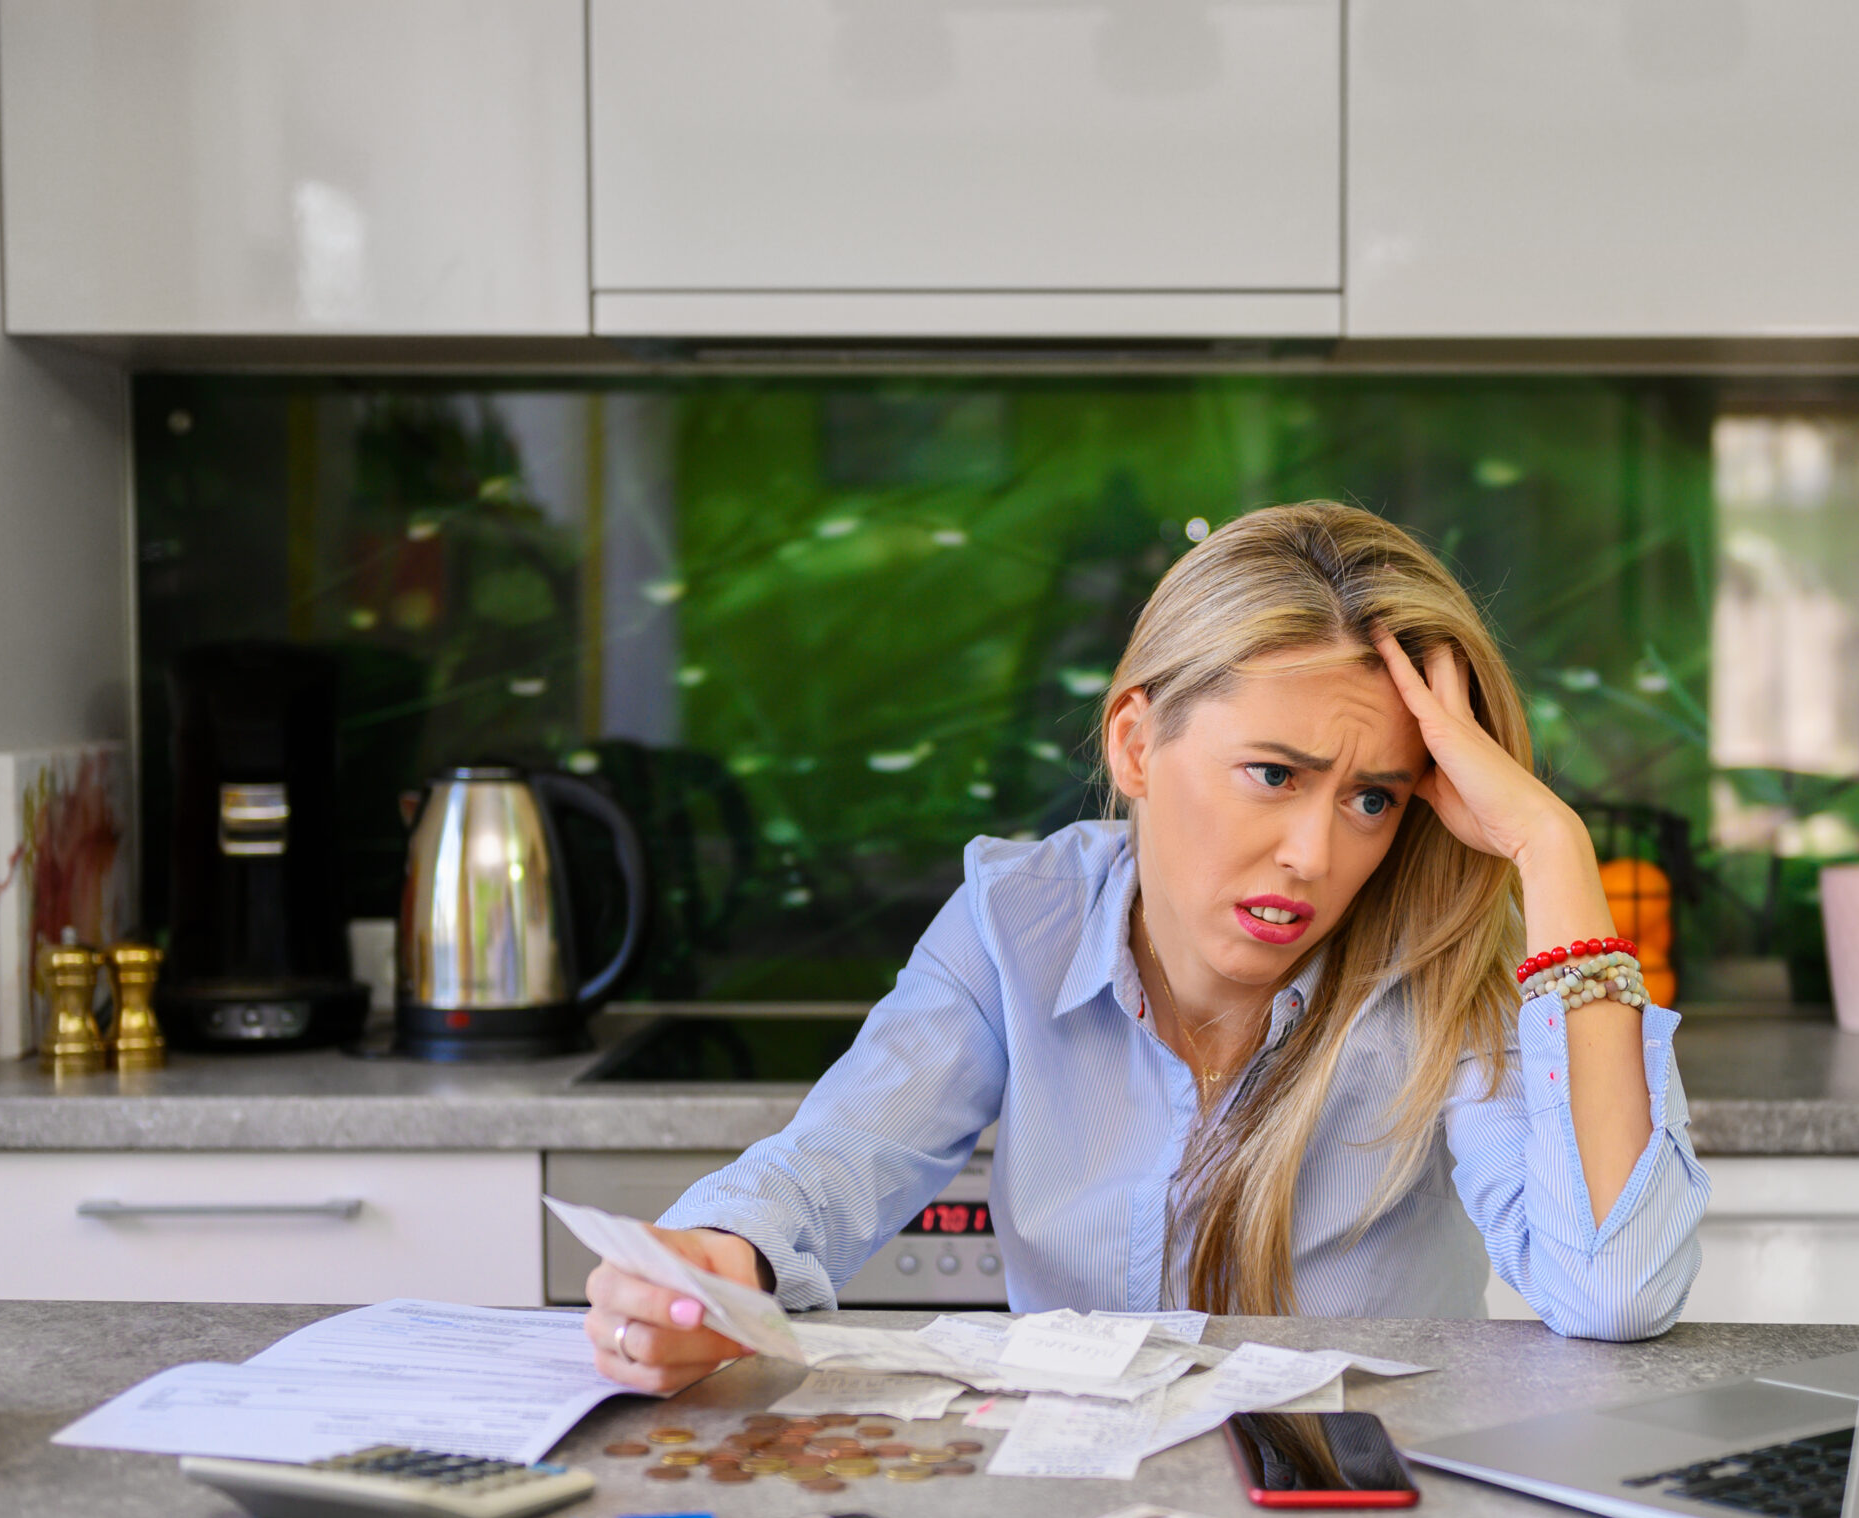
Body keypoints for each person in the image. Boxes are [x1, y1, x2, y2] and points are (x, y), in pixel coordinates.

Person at [584, 502, 1711, 1393]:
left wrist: (1551, 845)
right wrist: (711, 1266)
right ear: (1135, 740)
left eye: (1373, 797)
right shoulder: (1014, 918)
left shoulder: (1440, 955)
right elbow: (828, 1164)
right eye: (1273, 774)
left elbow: (1610, 1289)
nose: (1313, 854)